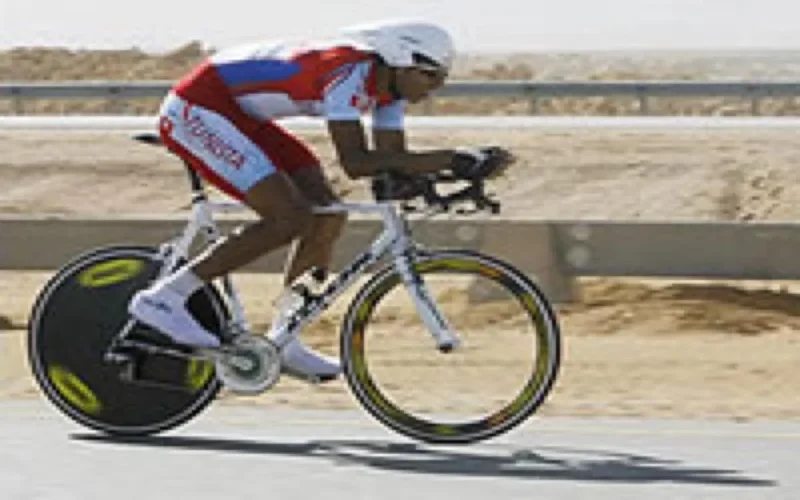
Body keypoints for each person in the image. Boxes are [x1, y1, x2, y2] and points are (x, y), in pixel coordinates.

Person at [128, 18, 513, 382]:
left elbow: (390, 165)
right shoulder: (347, 71)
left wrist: (455, 175)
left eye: (442, 78)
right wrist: (450, 158)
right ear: (400, 60)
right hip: (197, 109)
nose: (436, 86)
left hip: (241, 116)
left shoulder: (389, 92)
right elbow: (357, 163)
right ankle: (164, 298)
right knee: (289, 217)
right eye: (431, 75)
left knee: (328, 214)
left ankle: (286, 336)